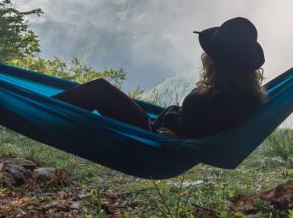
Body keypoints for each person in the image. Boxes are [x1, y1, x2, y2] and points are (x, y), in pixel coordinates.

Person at [53, 17, 267, 138]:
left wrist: (178, 138)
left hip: (153, 137)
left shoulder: (226, 98)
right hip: (159, 129)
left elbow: (202, 132)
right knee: (100, 90)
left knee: (98, 90)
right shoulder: (245, 92)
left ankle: (41, 113)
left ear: (216, 60)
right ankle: (44, 110)